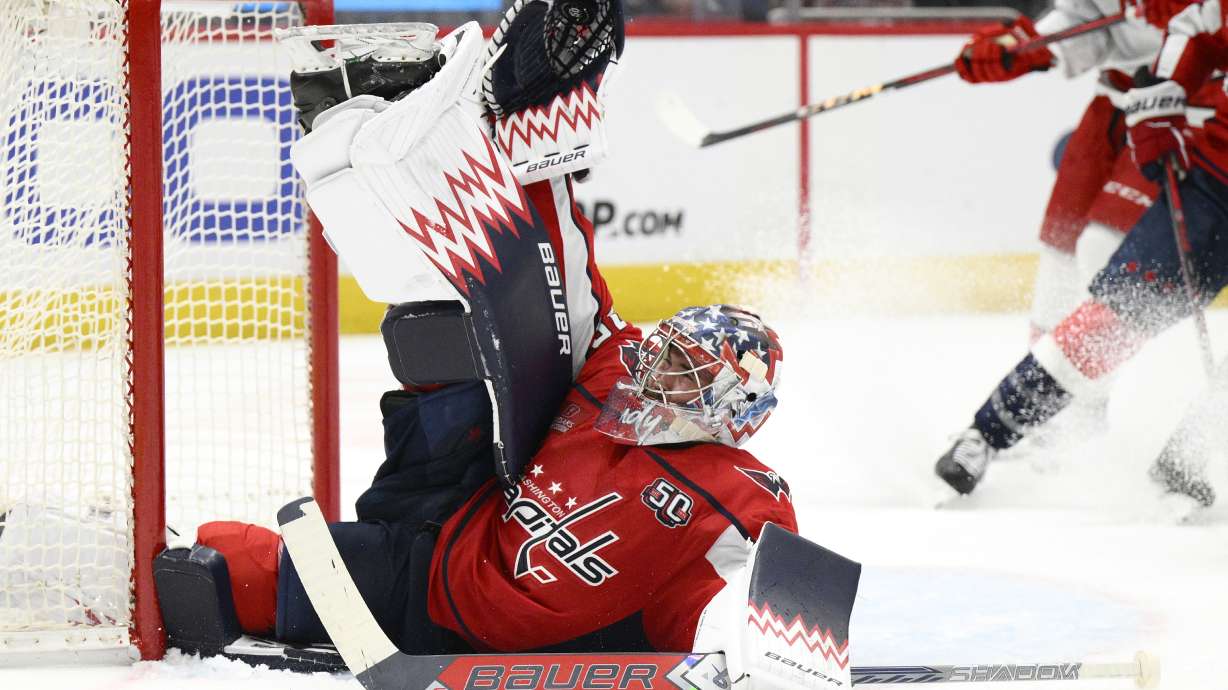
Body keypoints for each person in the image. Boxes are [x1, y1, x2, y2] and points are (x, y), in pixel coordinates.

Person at [154, 0, 802, 663]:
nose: (655, 374)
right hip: (462, 489)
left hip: (433, 596)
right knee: (445, 317)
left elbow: (750, 603)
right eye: (666, 354)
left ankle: (360, 131)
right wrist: (542, 152)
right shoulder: (621, 363)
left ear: (733, 411)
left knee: (228, 569)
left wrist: (751, 640)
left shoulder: (741, 492)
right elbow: (569, 282)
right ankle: (359, 114)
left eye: (685, 374)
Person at [934, 0, 1228, 507]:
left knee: (1101, 250)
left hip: (1193, 118)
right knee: (1080, 277)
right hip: (1171, 131)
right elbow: (1150, 22)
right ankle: (1021, 424)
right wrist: (1029, 46)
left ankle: (1172, 455)